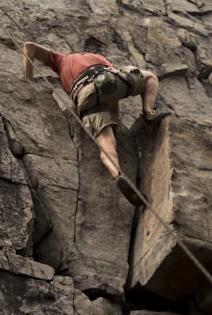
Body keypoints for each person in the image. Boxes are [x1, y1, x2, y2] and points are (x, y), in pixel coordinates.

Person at [22, 42, 168, 206]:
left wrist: (28, 82)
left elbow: (29, 47)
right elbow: (113, 100)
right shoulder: (100, 59)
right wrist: (115, 123)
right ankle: (149, 111)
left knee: (105, 142)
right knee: (149, 77)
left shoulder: (60, 59)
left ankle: (117, 173)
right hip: (107, 80)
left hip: (85, 97)